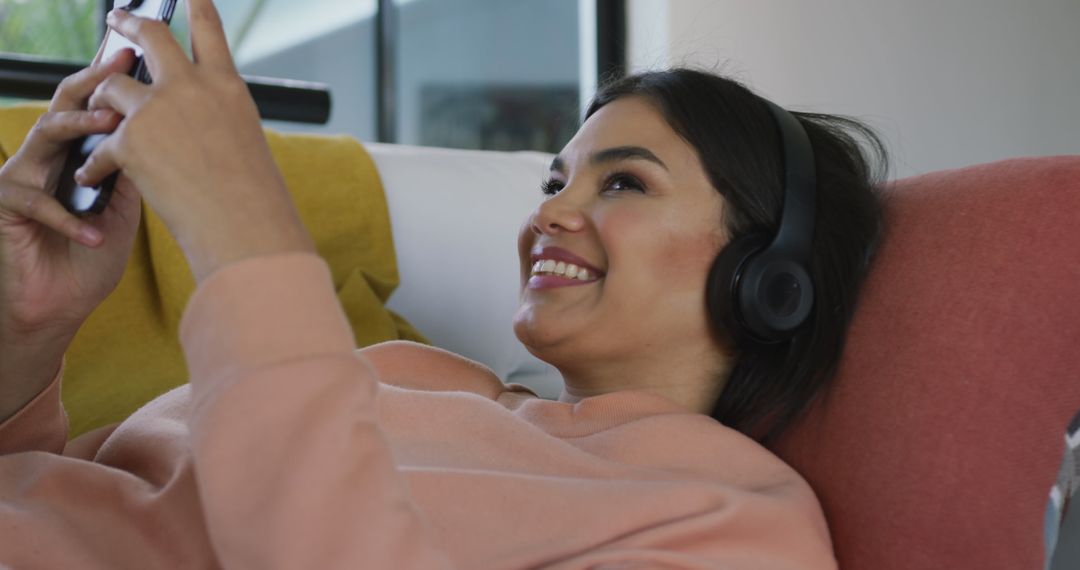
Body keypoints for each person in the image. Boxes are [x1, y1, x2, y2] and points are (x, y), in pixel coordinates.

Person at [0, 0, 886, 567]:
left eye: (623, 183)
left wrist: (241, 223)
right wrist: (29, 330)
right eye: (552, 183)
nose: (550, 215)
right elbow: (60, 489)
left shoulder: (736, 524)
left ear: (768, 277)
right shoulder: (415, 374)